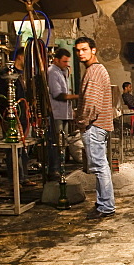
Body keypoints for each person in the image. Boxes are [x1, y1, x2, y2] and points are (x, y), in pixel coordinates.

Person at [75, 36, 115, 220]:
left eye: (84, 49)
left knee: (100, 167)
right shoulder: (96, 70)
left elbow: (92, 104)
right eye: (78, 50)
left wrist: (83, 122)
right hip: (99, 125)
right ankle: (102, 204)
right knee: (101, 166)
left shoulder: (94, 71)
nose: (80, 53)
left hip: (95, 125)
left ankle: (106, 206)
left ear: (93, 50)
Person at [0, 48, 35, 187]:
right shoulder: (5, 75)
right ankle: (15, 178)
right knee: (13, 148)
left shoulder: (24, 74)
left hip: (24, 114)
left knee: (24, 147)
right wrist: (7, 113)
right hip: (11, 115)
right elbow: (2, 96)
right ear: (20, 56)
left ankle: (24, 177)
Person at [47, 48, 77, 179]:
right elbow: (58, 94)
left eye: (67, 62)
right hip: (57, 113)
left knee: (63, 142)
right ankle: (54, 170)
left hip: (64, 113)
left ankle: (61, 168)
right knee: (57, 143)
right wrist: (77, 97)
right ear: (56, 60)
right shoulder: (52, 72)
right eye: (64, 61)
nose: (67, 64)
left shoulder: (63, 72)